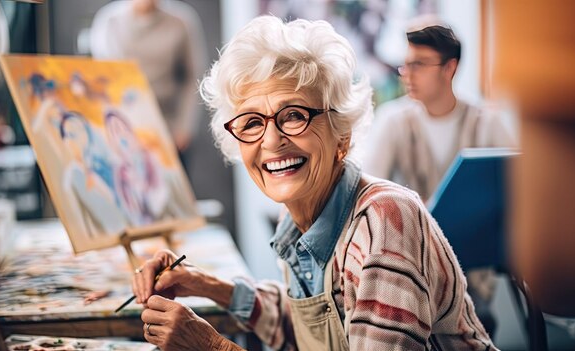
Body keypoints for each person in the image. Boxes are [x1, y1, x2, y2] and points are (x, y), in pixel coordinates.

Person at [132, 16, 497, 350]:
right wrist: (205, 284)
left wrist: (211, 346)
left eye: (294, 115)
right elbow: (306, 327)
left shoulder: (384, 222)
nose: (272, 141)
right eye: (252, 122)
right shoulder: (296, 217)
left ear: (342, 136)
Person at [357, 20, 517, 336]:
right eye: (405, 65)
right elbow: (365, 190)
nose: (408, 75)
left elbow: (522, 192)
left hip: (473, 278)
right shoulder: (395, 121)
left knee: (475, 324)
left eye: (418, 64)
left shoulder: (487, 122)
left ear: (450, 68)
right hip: (415, 274)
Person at [90, 0, 207, 165]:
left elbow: (193, 76)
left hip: (169, 129)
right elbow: (102, 79)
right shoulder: (109, 21)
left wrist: (184, 127)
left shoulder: (181, 21)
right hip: (123, 128)